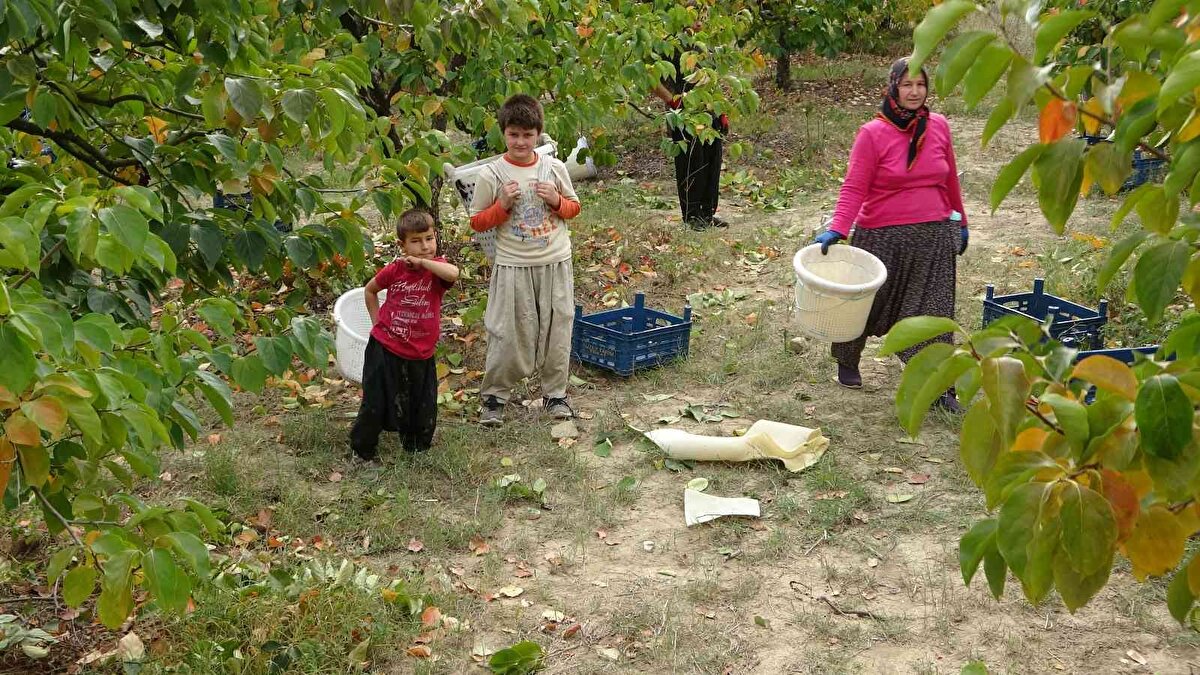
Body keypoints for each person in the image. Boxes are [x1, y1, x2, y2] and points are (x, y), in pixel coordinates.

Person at [812, 57, 969, 412]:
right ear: (893, 87)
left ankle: (938, 389)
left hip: (932, 239)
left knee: (934, 314)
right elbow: (854, 186)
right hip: (883, 237)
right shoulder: (873, 134)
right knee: (865, 307)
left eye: (921, 85)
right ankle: (848, 359)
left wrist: (961, 223)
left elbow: (949, 180)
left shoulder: (939, 126)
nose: (914, 92)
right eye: (907, 85)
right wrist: (838, 228)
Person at [469, 94, 582, 427]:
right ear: (504, 133)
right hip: (513, 265)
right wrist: (501, 205)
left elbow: (573, 209)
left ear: (538, 135)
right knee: (508, 331)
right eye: (513, 134)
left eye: (527, 135)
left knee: (558, 326)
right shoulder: (493, 174)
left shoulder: (553, 168)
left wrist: (556, 200)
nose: (520, 141)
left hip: (555, 261)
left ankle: (555, 395)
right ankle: (494, 398)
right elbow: (477, 222)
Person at [350, 209, 459, 460]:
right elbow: (370, 291)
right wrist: (377, 326)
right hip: (385, 348)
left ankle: (416, 448)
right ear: (403, 245)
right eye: (416, 241)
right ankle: (363, 450)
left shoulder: (438, 269)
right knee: (375, 400)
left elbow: (453, 274)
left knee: (421, 404)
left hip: (421, 351)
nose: (424, 246)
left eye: (429, 239)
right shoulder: (395, 270)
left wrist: (423, 263)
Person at [652, 47, 729, 231]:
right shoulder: (668, 44)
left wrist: (721, 111)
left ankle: (707, 214)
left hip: (709, 114)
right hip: (683, 116)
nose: (700, 21)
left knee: (712, 163)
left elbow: (711, 80)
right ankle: (692, 215)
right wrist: (673, 102)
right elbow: (651, 80)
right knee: (691, 165)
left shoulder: (702, 44)